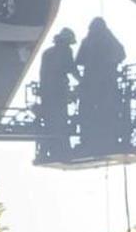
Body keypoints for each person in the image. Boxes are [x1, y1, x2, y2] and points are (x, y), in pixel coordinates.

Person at [75, 17, 126, 153]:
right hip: (107, 84)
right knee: (108, 111)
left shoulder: (88, 41)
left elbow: (79, 60)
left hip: (91, 84)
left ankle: (87, 140)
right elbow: (122, 54)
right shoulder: (109, 39)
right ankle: (109, 139)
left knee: (87, 112)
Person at [37, 28, 81, 159]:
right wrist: (83, 81)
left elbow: (43, 74)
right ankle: (63, 150)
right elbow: (71, 69)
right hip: (58, 92)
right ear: (67, 41)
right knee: (60, 120)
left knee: (49, 121)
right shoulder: (66, 51)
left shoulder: (47, 53)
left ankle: (47, 150)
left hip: (46, 92)